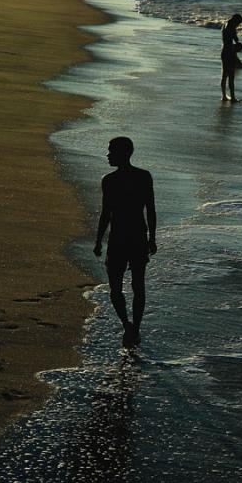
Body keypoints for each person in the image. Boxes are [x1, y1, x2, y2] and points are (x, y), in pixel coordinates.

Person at [94, 137, 157, 347]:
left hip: (120, 238)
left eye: (111, 151)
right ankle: (133, 328)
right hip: (137, 237)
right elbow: (151, 210)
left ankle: (129, 327)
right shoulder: (143, 177)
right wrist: (152, 238)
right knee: (138, 286)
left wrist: (99, 241)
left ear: (123, 153)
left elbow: (106, 214)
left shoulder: (110, 180)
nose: (108, 155)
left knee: (117, 288)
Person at [221, 14, 242, 102]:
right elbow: (235, 39)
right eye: (238, 23)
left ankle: (224, 96)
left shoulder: (226, 25)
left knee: (224, 74)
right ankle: (232, 97)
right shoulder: (231, 27)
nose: (238, 25)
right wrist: (238, 45)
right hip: (230, 52)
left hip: (224, 51)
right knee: (231, 76)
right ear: (235, 21)